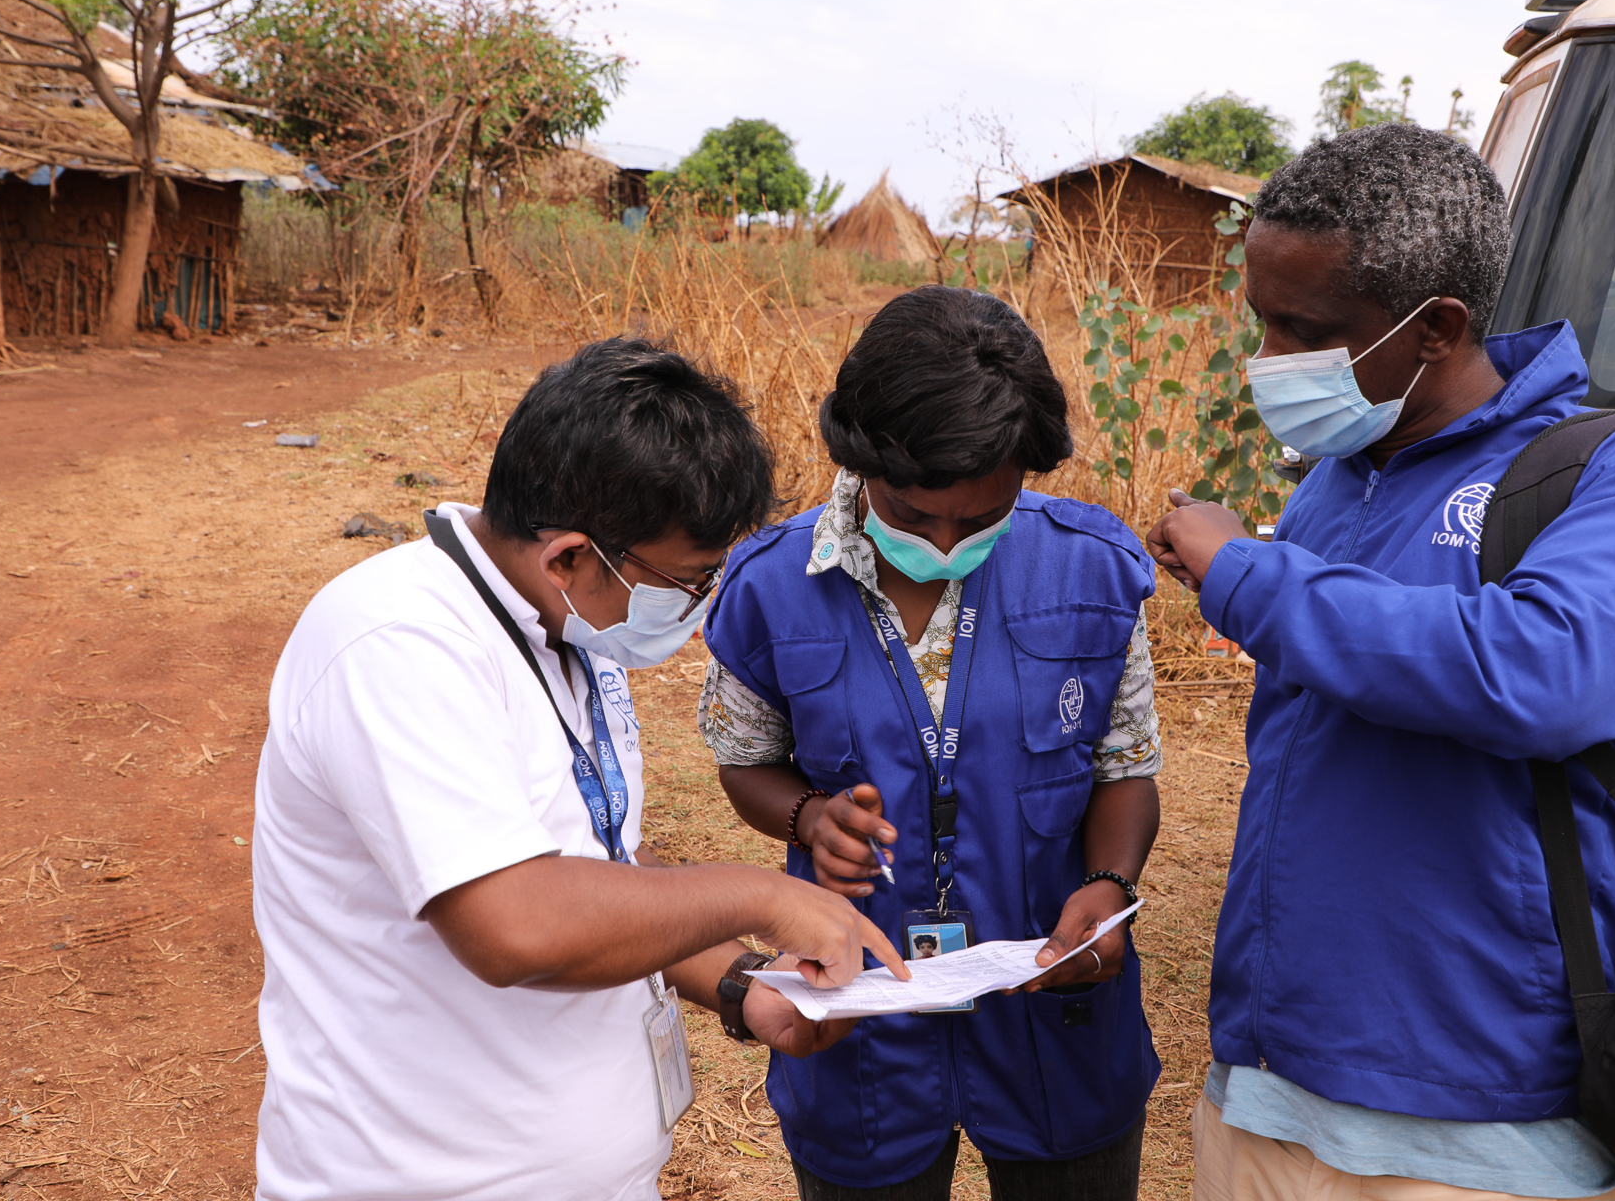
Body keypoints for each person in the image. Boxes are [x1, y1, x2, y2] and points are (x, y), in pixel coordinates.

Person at [1145, 124, 1615, 1201]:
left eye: (1302, 329)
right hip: (1266, 1085)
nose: (1267, 357)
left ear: (1437, 326)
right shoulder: (1337, 475)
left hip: (1476, 1123)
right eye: (1260, 321)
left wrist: (1250, 578)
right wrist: (1250, 572)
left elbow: (1548, 671)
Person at [251, 338, 906, 1201]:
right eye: (688, 581)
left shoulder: (566, 626)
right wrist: (770, 896)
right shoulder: (396, 645)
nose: (698, 609)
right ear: (569, 556)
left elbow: (597, 879)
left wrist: (742, 986)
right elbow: (516, 923)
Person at [700, 285, 1164, 1200]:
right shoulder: (767, 585)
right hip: (861, 1022)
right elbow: (745, 759)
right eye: (914, 517)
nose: (947, 543)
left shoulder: (1095, 573)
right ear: (859, 457)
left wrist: (1108, 893)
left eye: (982, 519)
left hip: (1053, 1018)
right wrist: (806, 814)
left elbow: (1126, 765)